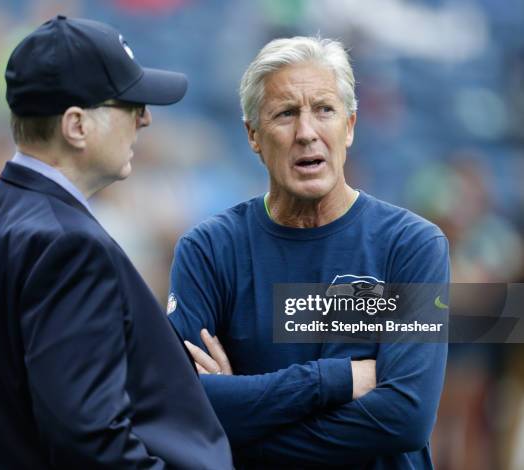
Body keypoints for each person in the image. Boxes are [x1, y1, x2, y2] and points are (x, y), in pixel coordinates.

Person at [0, 15, 232, 469]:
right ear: (76, 126)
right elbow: (90, 442)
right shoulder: (68, 245)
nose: (145, 119)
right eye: (130, 104)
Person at [168, 36, 449, 469]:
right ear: (253, 136)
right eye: (285, 114)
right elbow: (177, 408)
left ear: (350, 126)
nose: (306, 133)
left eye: (324, 110)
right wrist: (335, 379)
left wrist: (238, 425)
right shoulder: (209, 250)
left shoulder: (411, 246)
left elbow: (406, 419)